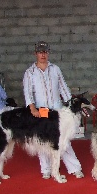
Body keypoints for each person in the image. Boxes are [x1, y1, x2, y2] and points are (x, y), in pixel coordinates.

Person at [23, 41, 84, 179]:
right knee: (43, 140)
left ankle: (74, 168)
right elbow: (28, 93)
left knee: (64, 140)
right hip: (41, 111)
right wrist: (32, 109)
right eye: (40, 52)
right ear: (35, 54)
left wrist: (71, 104)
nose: (43, 54)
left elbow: (63, 88)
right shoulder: (29, 73)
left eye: (45, 52)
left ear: (48, 53)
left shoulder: (55, 69)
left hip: (58, 111)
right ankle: (46, 169)